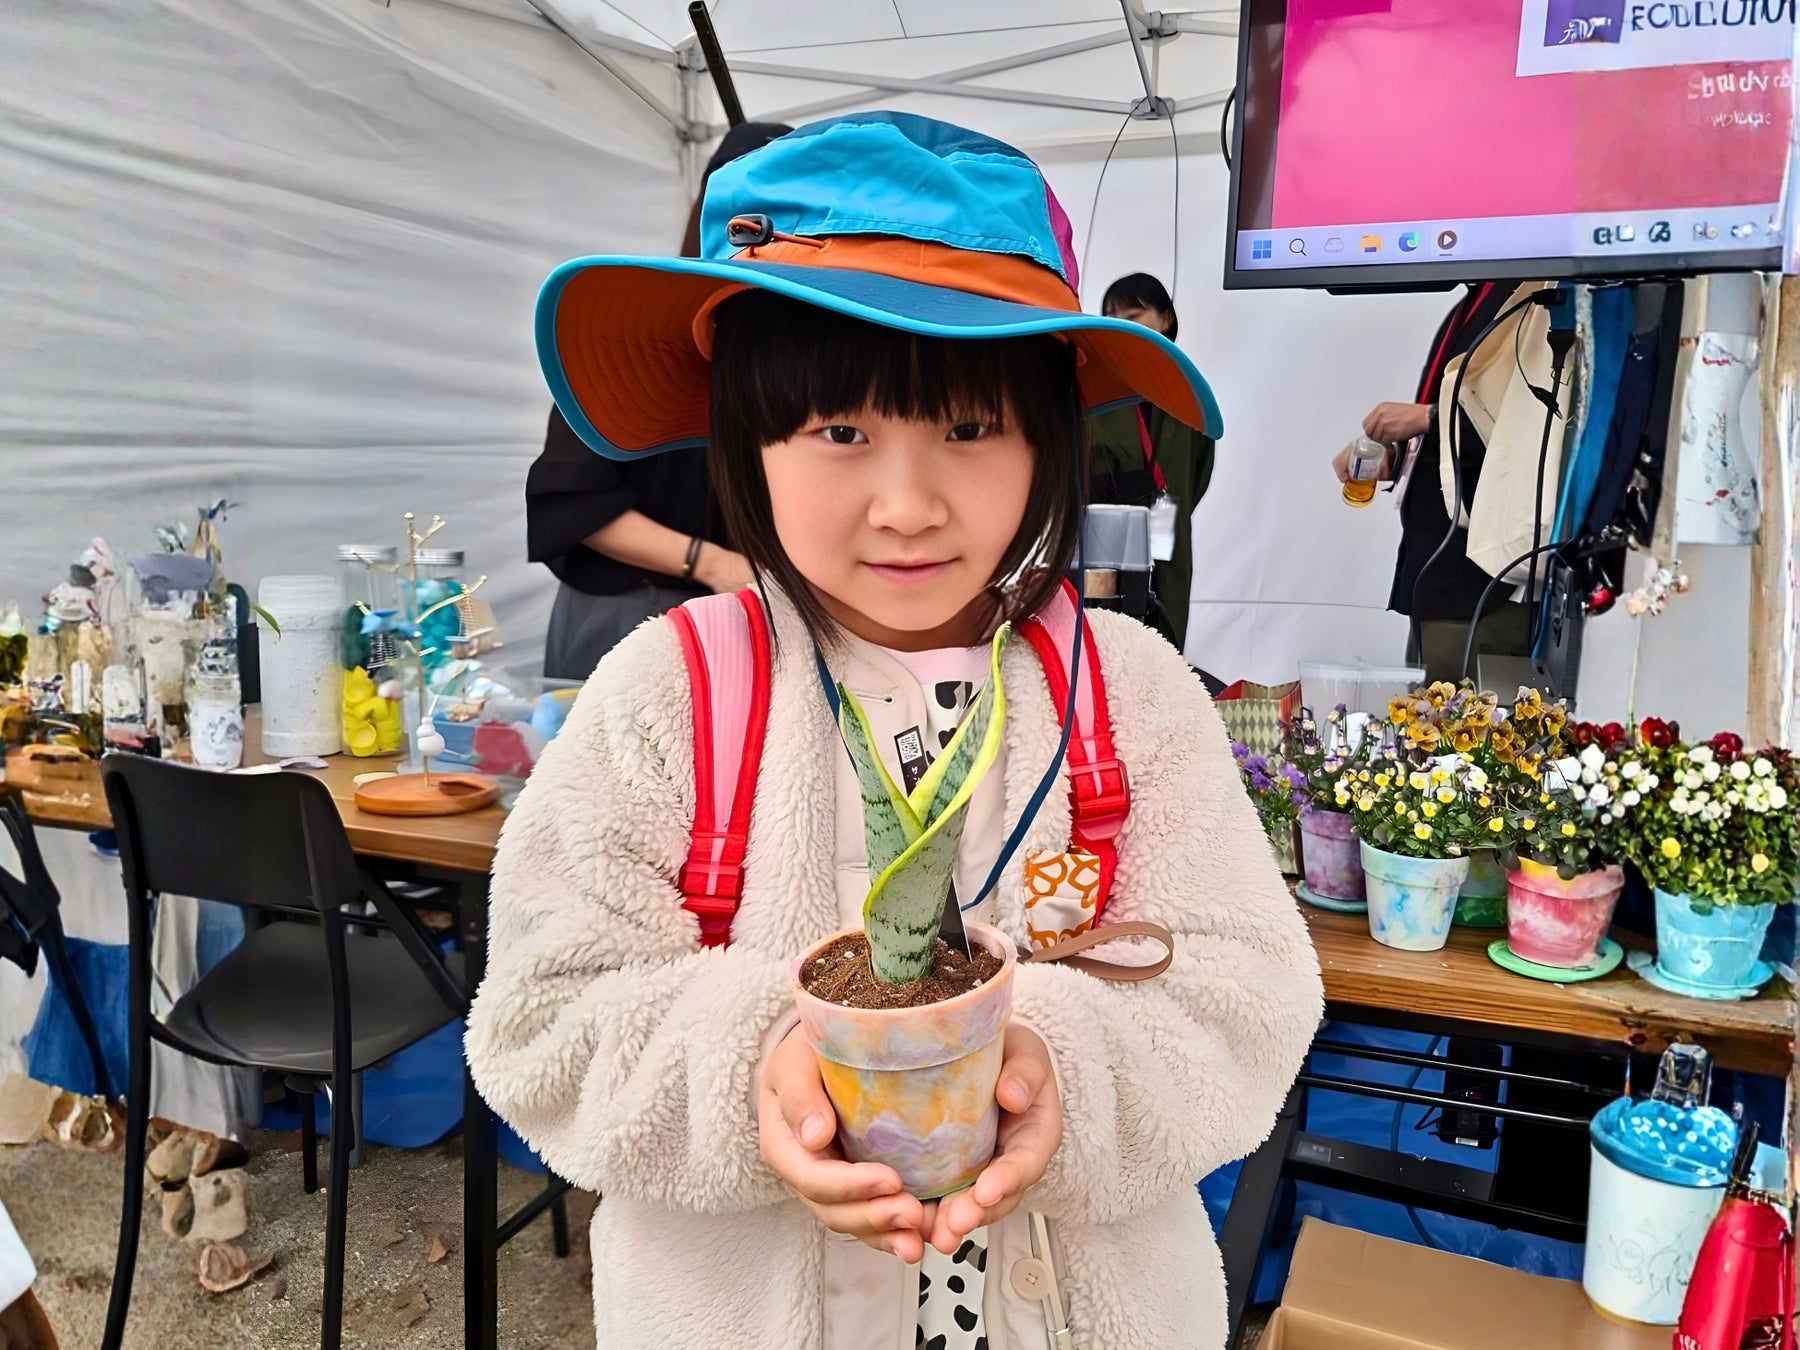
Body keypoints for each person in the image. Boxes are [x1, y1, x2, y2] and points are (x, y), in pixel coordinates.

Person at [466, 111, 1321, 1349]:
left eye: (969, 430)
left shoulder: (1126, 691)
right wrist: (762, 1070)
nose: (908, 506)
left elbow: (1250, 994)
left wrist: (1060, 1071)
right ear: (748, 439)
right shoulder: (672, 692)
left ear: (1048, 436)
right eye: (841, 432)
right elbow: (545, 1015)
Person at [525, 121, 792, 679]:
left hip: (756, 614)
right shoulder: (628, 336)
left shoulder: (798, 354)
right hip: (629, 615)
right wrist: (712, 562)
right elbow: (573, 503)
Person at [1332, 282, 1531, 683]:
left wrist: (1427, 417)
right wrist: (1396, 454)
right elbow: (1465, 417)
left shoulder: (1531, 297)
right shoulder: (1477, 298)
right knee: (1429, 710)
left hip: (1481, 576)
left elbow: (1528, 428)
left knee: (1467, 715)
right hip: (1438, 568)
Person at [1086, 274, 1214, 654]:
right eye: (1112, 317)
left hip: (1166, 517)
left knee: (1163, 626)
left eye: (1134, 315)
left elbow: (1197, 470)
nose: (1122, 326)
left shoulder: (1186, 386)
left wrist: (1165, 498)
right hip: (1101, 528)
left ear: (1166, 318)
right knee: (1103, 628)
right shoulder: (1093, 385)